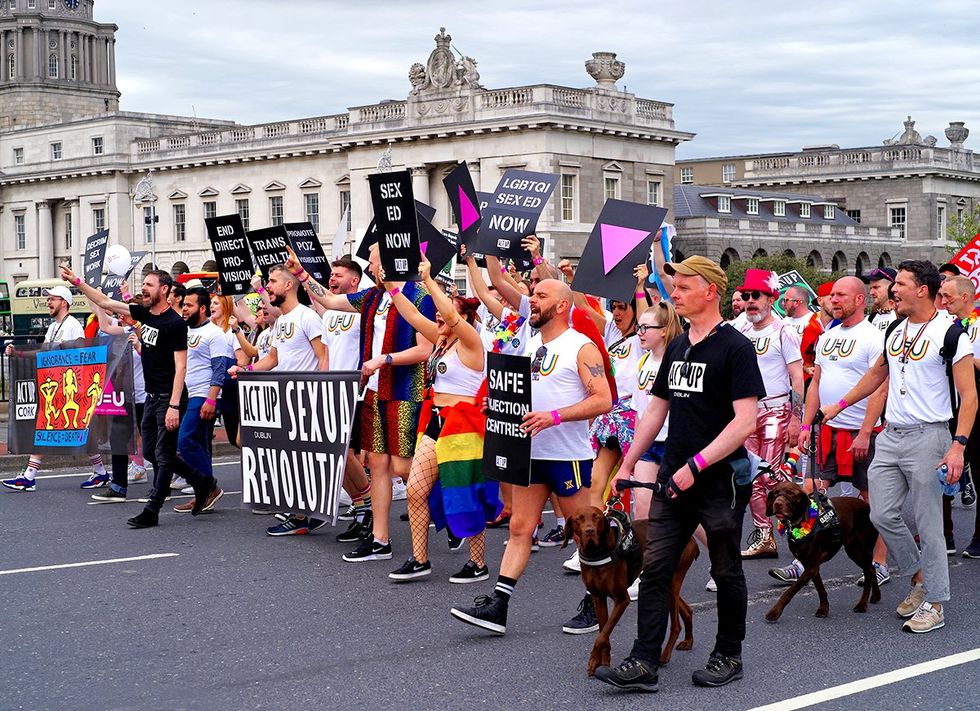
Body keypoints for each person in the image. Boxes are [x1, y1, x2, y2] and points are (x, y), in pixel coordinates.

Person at [597, 255, 764, 692]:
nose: (675, 294)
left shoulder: (735, 347)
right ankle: (643, 661)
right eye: (675, 287)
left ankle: (728, 653)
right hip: (674, 474)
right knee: (655, 568)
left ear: (711, 291)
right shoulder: (676, 344)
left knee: (726, 568)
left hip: (719, 478)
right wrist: (628, 462)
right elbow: (657, 408)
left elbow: (746, 420)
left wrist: (699, 464)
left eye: (684, 287)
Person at [819, 260, 977, 634]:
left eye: (901, 284)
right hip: (890, 435)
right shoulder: (893, 328)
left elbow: (969, 397)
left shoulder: (952, 335)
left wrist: (958, 447)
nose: (893, 290)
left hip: (930, 436)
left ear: (922, 289)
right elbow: (878, 373)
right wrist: (837, 406)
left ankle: (936, 603)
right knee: (881, 514)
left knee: (929, 524)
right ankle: (919, 577)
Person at [449, 278, 612, 635]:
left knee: (587, 534)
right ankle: (499, 606)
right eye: (533, 295)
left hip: (567, 456)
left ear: (562, 305)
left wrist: (554, 416)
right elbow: (520, 390)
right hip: (530, 452)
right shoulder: (528, 342)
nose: (532, 301)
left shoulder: (580, 347)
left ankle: (594, 603)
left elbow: (603, 399)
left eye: (541, 296)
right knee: (521, 528)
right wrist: (499, 404)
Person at [285, 245, 433, 559]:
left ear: (390, 261)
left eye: (374, 258)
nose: (370, 263)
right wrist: (299, 272)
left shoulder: (419, 297)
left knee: (405, 469)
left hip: (404, 390)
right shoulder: (371, 298)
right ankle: (380, 540)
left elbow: (425, 349)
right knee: (377, 465)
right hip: (372, 391)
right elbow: (328, 299)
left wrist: (385, 359)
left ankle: (453, 511)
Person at [61, 266, 221, 527]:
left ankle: (153, 509)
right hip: (152, 397)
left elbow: (181, 367)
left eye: (149, 284)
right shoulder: (144, 315)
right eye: (143, 284)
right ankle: (203, 482)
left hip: (171, 398)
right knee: (150, 451)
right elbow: (104, 302)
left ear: (164, 289)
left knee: (165, 455)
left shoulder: (175, 324)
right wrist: (77, 281)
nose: (144, 288)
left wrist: (173, 406)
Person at [769, 276, 890, 585]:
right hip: (828, 430)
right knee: (807, 492)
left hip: (863, 432)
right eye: (831, 295)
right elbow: (816, 385)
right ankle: (801, 559)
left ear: (860, 300)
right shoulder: (826, 336)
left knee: (873, 500)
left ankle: (879, 563)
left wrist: (865, 431)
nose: (833, 300)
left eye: (841, 295)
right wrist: (808, 425)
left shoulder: (874, 337)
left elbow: (880, 388)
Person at [382, 256, 494, 582]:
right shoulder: (441, 339)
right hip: (434, 420)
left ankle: (478, 563)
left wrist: (429, 280)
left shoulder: (472, 342)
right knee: (416, 489)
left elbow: (447, 314)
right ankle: (420, 559)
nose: (438, 318)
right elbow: (414, 315)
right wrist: (390, 284)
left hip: (464, 425)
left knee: (466, 492)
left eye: (445, 313)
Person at [229, 264, 330, 534]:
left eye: (272, 281)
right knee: (294, 458)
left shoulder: (307, 317)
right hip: (285, 400)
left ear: (288, 285)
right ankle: (304, 514)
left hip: (307, 400)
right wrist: (246, 370)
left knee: (312, 459)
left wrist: (321, 395)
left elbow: (323, 358)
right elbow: (272, 359)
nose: (268, 287)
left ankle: (313, 515)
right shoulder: (283, 321)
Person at [2, 285, 109, 493]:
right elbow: (43, 352)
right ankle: (100, 471)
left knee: (54, 428)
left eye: (53, 299)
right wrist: (18, 354)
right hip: (56, 387)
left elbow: (81, 352)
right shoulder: (53, 328)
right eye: (49, 299)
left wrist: (63, 349)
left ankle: (29, 477)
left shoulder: (72, 325)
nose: (48, 302)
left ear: (64, 302)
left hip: (71, 387)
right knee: (69, 430)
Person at [299, 256, 374, 544]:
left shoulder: (359, 306)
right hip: (331, 389)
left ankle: (367, 507)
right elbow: (326, 355)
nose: (332, 278)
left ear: (354, 281)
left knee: (347, 453)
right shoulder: (330, 312)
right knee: (333, 455)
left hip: (355, 390)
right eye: (331, 275)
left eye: (338, 275)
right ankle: (360, 507)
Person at [736, 269, 803, 559]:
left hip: (777, 410)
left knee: (771, 476)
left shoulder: (783, 331)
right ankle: (765, 536)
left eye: (756, 296)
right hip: (747, 412)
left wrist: (797, 418)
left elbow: (797, 377)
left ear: (770, 298)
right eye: (746, 296)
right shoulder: (741, 332)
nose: (749, 301)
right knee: (752, 476)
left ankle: (803, 520)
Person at [162, 287, 232, 514]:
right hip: (187, 395)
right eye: (183, 305)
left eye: (189, 305)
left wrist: (212, 399)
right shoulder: (184, 331)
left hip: (203, 395)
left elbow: (219, 368)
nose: (184, 309)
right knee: (200, 444)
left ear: (202, 308)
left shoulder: (215, 334)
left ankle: (208, 487)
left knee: (185, 441)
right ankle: (204, 492)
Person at [937, 275, 980, 553]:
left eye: (948, 297)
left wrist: (964, 358)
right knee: (941, 470)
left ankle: (979, 537)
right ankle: (944, 535)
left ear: (965, 297)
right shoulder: (945, 325)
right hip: (948, 406)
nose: (943, 302)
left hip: (975, 403)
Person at [864, 267, 897, 333]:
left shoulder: (902, 317)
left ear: (891, 287)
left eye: (876, 287)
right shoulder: (869, 320)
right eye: (871, 288)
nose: (871, 292)